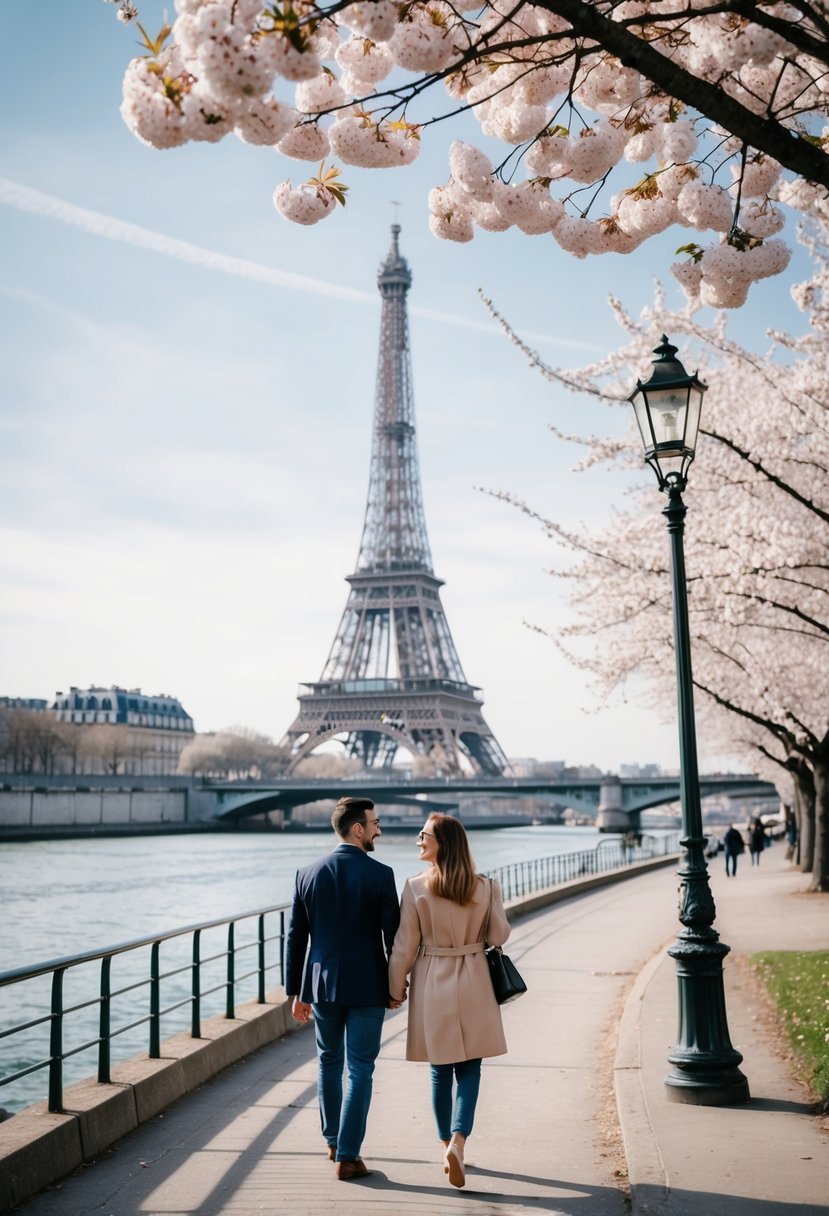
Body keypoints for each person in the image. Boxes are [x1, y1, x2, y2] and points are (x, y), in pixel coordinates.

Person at [388, 813, 511, 1189]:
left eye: (424, 835)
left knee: (440, 1071)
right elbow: (499, 935)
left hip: (432, 980)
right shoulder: (485, 886)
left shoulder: (415, 887)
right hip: (474, 977)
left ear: (442, 842)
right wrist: (494, 900)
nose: (418, 840)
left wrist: (395, 988)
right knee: (470, 1069)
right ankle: (458, 1142)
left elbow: (403, 948)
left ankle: (446, 1145)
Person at [284, 796, 401, 1181]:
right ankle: (349, 1157)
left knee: (328, 1064)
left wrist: (295, 991)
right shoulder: (381, 875)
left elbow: (295, 938)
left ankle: (333, 1142)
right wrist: (397, 984)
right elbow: (394, 939)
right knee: (361, 1069)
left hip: (320, 985)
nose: (379, 830)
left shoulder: (306, 873)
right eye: (375, 823)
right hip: (368, 984)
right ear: (358, 829)